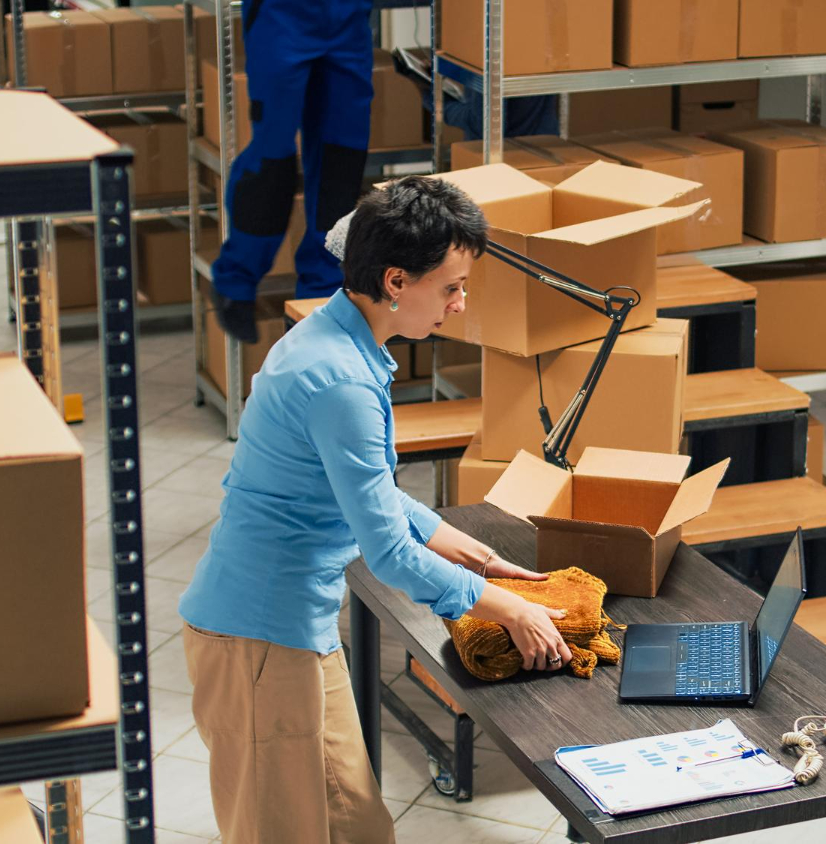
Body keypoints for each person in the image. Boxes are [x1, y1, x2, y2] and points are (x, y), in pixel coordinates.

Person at [178, 176, 575, 844]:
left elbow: (362, 490)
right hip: (260, 643)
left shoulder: (335, 343)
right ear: (397, 280)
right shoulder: (340, 381)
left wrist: (470, 550)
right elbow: (389, 555)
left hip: (284, 634)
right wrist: (508, 608)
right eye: (451, 287)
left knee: (359, 829)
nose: (459, 303)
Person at [210, 0, 375, 345]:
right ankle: (235, 281)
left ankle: (320, 296)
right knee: (273, 158)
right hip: (281, 15)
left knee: (341, 163)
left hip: (349, 17)